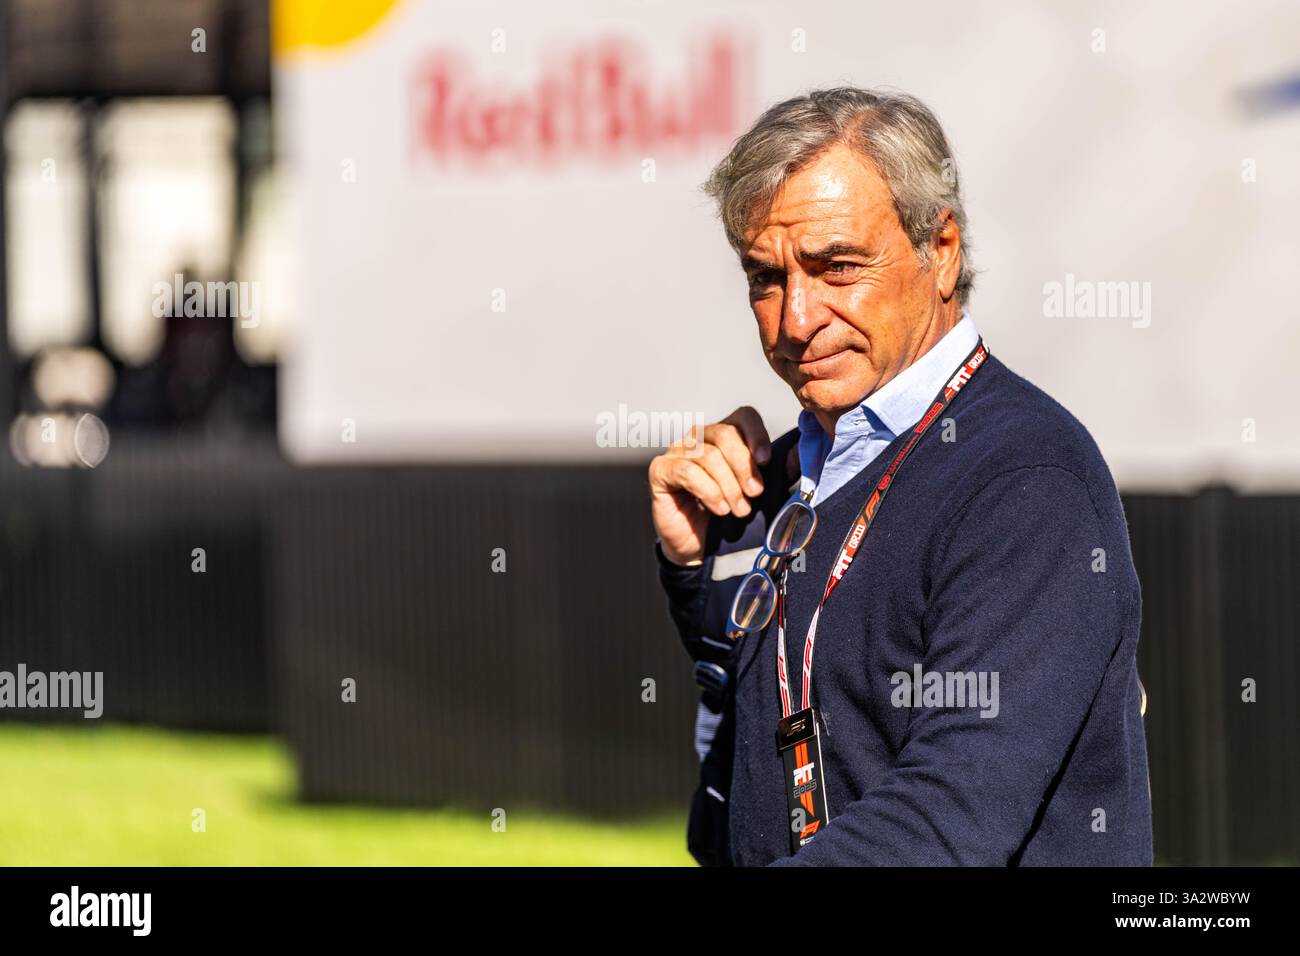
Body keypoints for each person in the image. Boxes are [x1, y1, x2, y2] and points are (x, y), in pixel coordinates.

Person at [648, 87, 1152, 866]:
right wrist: (695, 568)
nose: (797, 318)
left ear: (940, 251)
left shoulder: (1029, 480)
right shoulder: (787, 470)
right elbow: (749, 767)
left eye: (837, 267)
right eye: (766, 279)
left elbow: (947, 820)